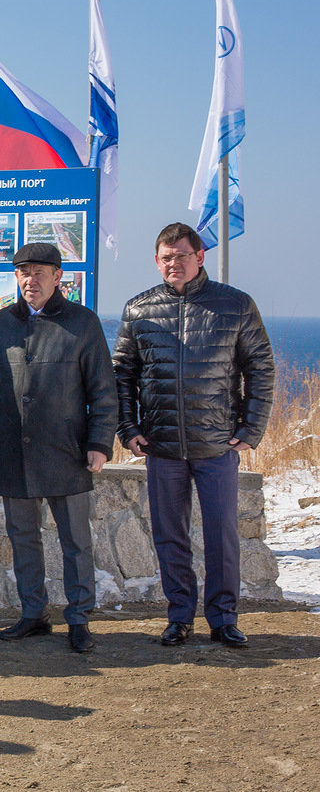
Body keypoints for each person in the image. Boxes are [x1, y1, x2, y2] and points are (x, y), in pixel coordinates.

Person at [114, 222, 274, 648]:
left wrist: (250, 429)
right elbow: (122, 376)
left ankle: (223, 618)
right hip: (161, 446)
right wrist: (128, 428)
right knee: (170, 536)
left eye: (182, 255)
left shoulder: (235, 305)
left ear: (199, 256)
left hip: (217, 444)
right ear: (157, 261)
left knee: (222, 534)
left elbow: (260, 368)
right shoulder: (139, 309)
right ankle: (179, 616)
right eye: (166, 257)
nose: (174, 264)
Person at [0, 243, 117, 653]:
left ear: (58, 277)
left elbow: (103, 390)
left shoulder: (82, 322)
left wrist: (99, 442)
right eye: (23, 273)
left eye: (39, 272)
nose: (30, 280)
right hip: (11, 451)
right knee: (22, 536)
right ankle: (33, 613)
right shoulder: (2, 322)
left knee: (75, 539)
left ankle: (78, 618)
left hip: (67, 450)